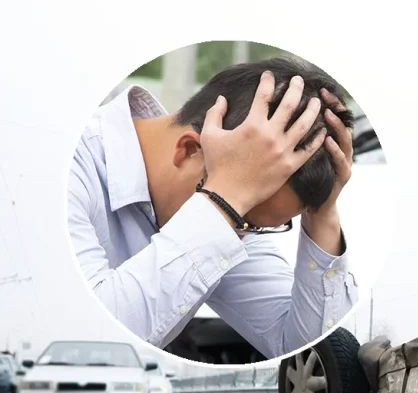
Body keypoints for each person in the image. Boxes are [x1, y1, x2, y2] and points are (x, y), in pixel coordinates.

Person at [68, 56, 360, 359]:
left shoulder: (237, 212)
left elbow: (310, 352)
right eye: (239, 218)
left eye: (255, 226)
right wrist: (224, 204)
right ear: (190, 150)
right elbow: (91, 337)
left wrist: (323, 214)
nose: (241, 237)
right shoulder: (64, 167)